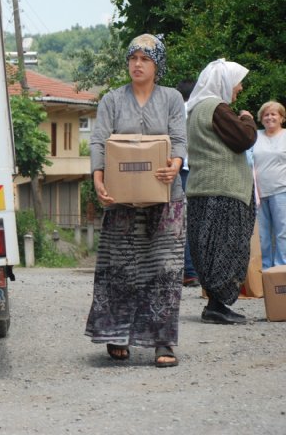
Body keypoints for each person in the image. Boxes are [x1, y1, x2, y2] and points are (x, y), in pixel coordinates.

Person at [86, 34, 186, 368]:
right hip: (122, 200)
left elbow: (179, 139)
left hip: (166, 198)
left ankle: (162, 341)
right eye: (133, 58)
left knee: (165, 270)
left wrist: (174, 165)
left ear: (157, 65)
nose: (137, 64)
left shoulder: (172, 98)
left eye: (145, 59)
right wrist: (98, 179)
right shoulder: (112, 100)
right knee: (121, 269)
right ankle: (116, 335)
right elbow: (99, 141)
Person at [185, 59, 257, 324]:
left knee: (208, 249)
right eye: (237, 82)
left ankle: (214, 305)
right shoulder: (217, 108)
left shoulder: (195, 109)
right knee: (227, 247)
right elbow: (244, 138)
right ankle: (216, 307)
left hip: (201, 188)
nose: (239, 88)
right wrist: (247, 119)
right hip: (223, 191)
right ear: (224, 82)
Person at [251, 101, 286, 270]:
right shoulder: (255, 136)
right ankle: (264, 270)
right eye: (266, 114)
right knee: (262, 236)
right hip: (258, 193)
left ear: (282, 118)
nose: (270, 117)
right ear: (261, 118)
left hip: (282, 190)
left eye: (274, 114)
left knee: (282, 233)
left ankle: (281, 269)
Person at [176, 79, 199, 287]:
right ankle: (191, 271)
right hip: (190, 169)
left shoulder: (174, 110)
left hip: (176, 169)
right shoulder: (194, 110)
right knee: (191, 221)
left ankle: (187, 271)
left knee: (179, 221)